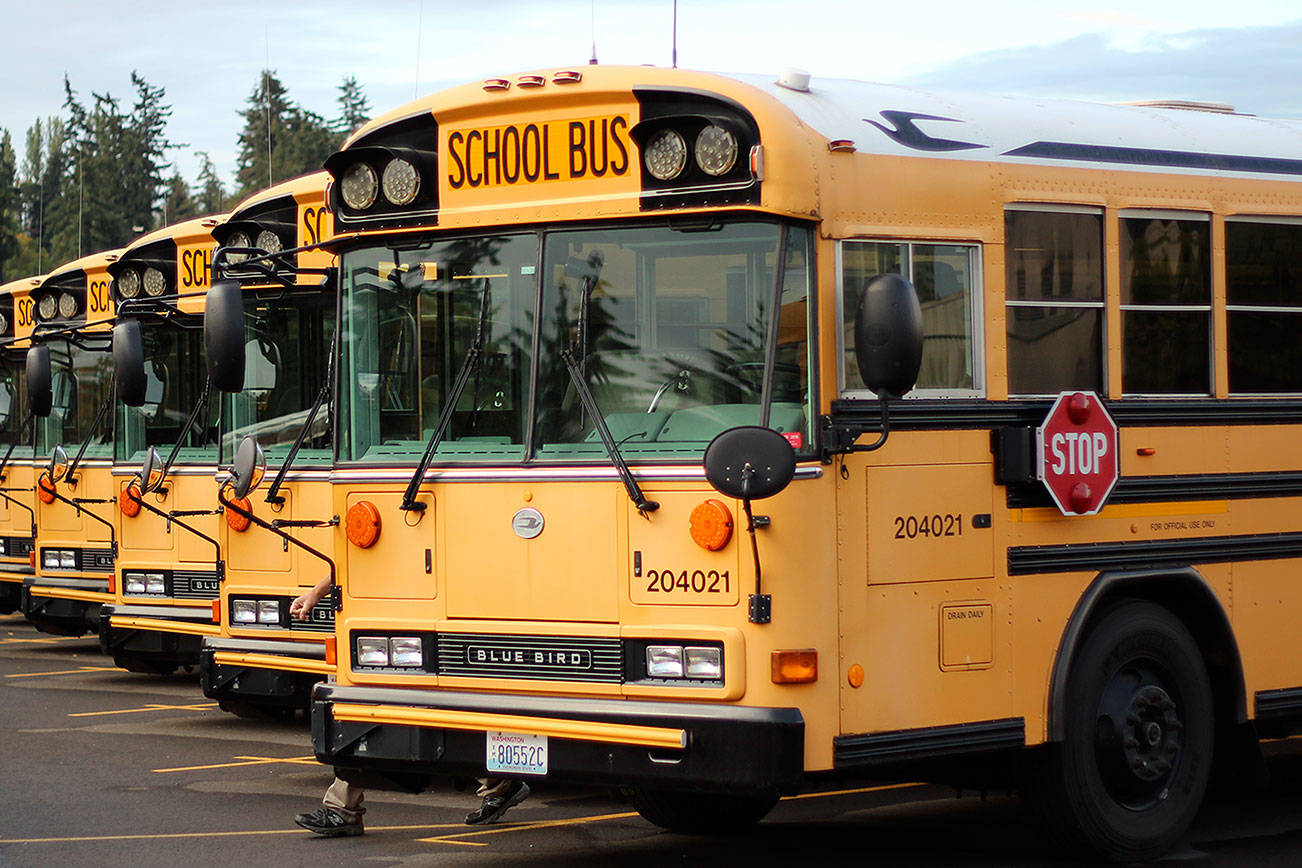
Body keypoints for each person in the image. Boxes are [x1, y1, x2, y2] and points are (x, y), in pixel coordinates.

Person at [288, 577, 529, 837]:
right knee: (371, 715)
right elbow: (354, 559)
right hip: (395, 625)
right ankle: (342, 809)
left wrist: (315, 594)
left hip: (431, 616)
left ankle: (499, 783)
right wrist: (315, 593)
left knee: (442, 714)